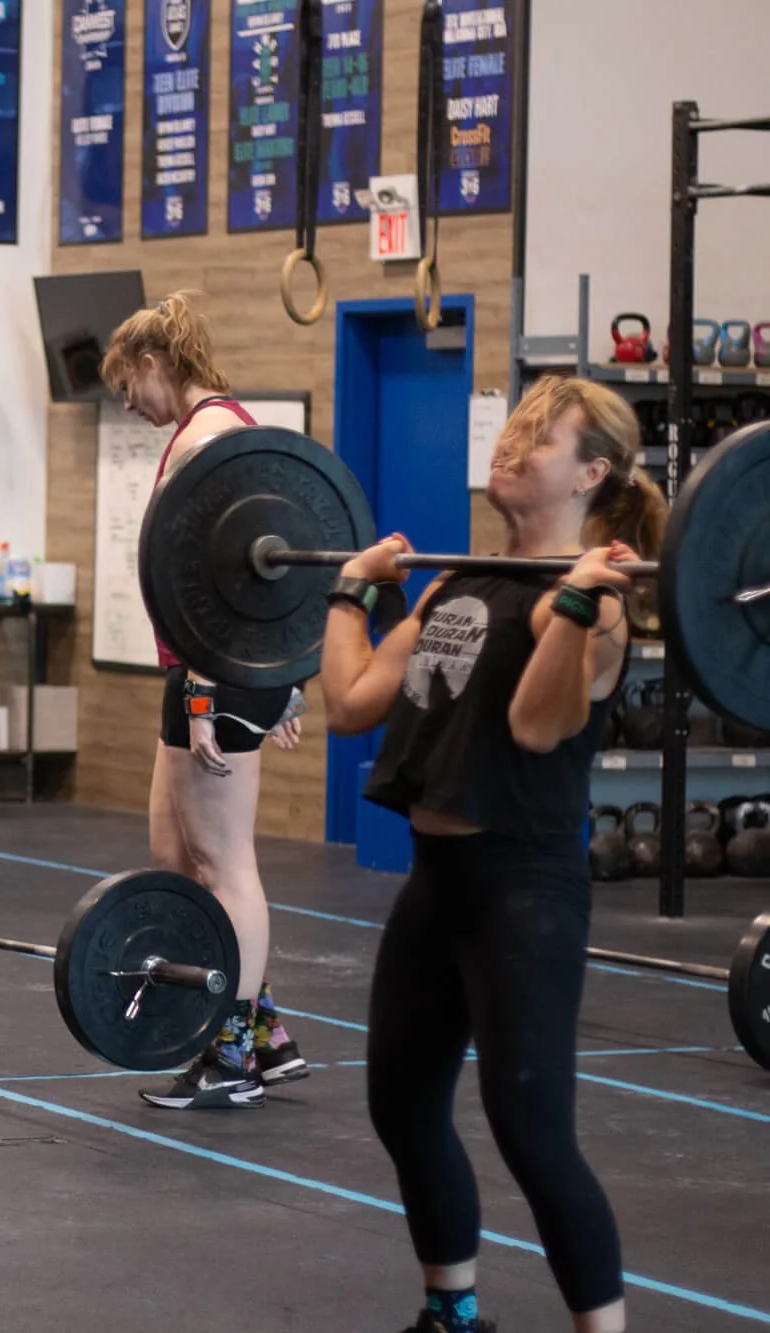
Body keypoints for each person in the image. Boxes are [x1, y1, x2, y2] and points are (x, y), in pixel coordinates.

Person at [321, 377, 660, 1333]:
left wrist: (584, 608)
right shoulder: (457, 580)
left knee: (533, 1133)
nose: (510, 449)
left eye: (537, 439)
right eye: (509, 431)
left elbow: (537, 724)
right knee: (402, 1107)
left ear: (593, 472)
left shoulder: (591, 606)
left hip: (525, 889)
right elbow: (349, 701)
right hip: (437, 887)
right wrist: (352, 590)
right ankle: (452, 1310)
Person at [101, 291, 307, 1111]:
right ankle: (269, 1035)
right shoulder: (202, 435)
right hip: (202, 673)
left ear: (156, 362)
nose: (125, 402)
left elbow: (217, 580)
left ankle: (233, 1052)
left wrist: (217, 689)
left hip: (212, 676)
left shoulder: (211, 437)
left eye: (127, 383)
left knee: (225, 868)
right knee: (177, 863)